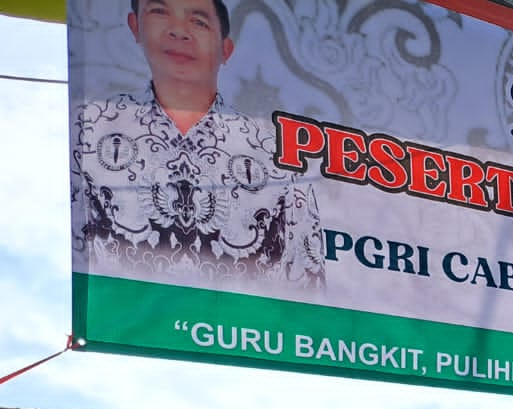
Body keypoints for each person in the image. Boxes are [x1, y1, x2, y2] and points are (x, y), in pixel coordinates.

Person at [71, 0, 324, 285]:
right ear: (135, 26)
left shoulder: (275, 153)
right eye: (160, 12)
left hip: (240, 327)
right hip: (123, 326)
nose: (179, 32)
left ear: (225, 50)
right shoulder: (91, 128)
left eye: (199, 22)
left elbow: (308, 280)